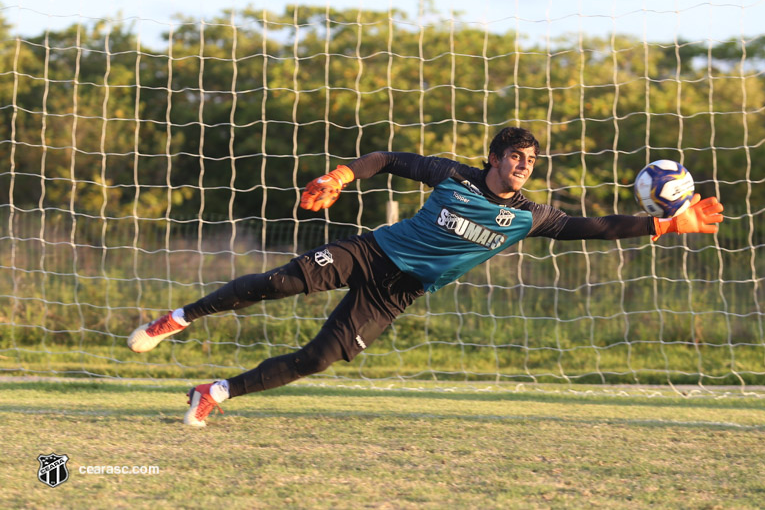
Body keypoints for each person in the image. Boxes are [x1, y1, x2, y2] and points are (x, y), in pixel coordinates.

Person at [127, 127, 724, 426]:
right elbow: (387, 158)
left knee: (317, 359)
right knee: (280, 282)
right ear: (493, 158)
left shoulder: (528, 216)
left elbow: (592, 228)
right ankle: (176, 319)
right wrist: (340, 175)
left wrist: (668, 228)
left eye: (531, 160)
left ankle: (214, 394)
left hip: (397, 294)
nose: (523, 165)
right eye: (516, 156)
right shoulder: (452, 176)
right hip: (374, 254)